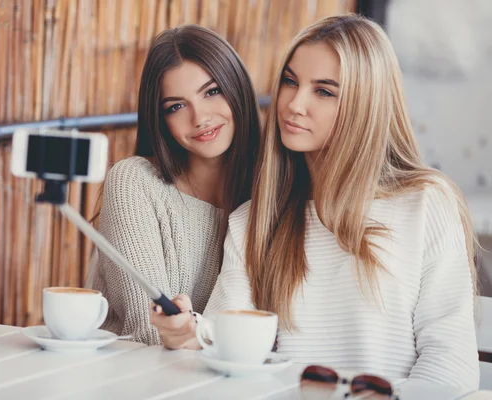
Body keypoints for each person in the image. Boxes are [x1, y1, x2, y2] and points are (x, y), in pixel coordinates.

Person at [151, 14, 480, 391]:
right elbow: (226, 342)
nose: (294, 104)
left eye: (323, 91)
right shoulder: (255, 220)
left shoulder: (425, 203)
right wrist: (185, 336)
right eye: (290, 82)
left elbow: (450, 369)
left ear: (366, 104)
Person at [87, 24, 261, 346]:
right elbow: (151, 333)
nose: (200, 118)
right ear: (160, 119)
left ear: (237, 87)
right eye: (176, 106)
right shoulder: (134, 183)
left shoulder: (265, 193)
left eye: (212, 91)